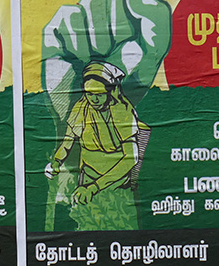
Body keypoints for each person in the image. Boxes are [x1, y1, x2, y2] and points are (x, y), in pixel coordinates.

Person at [44, 61, 146, 230]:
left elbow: (131, 158)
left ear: (110, 90)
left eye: (99, 93)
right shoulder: (82, 107)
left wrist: (94, 188)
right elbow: (68, 142)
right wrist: (56, 162)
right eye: (89, 93)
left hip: (116, 187)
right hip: (86, 186)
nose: (94, 98)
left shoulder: (122, 111)